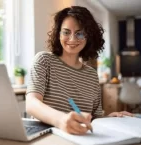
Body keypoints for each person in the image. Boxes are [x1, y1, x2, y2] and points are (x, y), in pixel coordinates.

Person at [26, 6, 132, 135]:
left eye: (80, 33)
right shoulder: (44, 60)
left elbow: (94, 118)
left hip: (80, 137)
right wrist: (61, 120)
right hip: (46, 136)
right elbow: (31, 103)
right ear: (58, 33)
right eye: (66, 32)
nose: (72, 39)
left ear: (88, 37)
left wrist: (109, 119)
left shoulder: (92, 75)